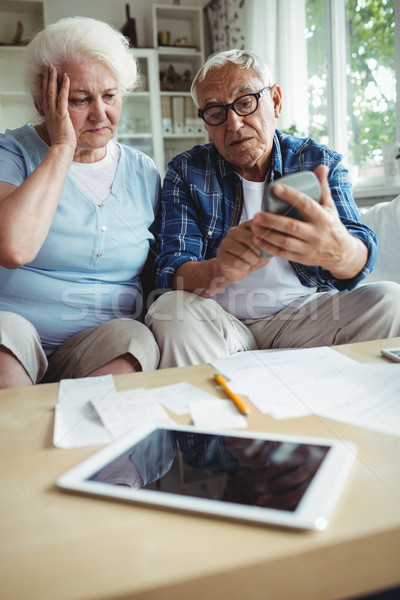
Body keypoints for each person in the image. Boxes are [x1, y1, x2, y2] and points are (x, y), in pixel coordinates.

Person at [145, 49, 400, 367]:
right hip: (220, 320)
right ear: (206, 123)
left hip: (304, 314)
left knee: (390, 300)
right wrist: (219, 270)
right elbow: (171, 269)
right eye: (215, 112)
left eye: (245, 102)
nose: (234, 124)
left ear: (275, 101)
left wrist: (340, 252)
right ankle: (215, 414)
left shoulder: (317, 161)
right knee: (169, 310)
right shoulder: (186, 171)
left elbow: (359, 255)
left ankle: (341, 409)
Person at [0, 17, 160, 388]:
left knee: (136, 342)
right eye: (80, 100)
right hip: (16, 333)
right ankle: (26, 444)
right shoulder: (12, 152)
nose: (100, 114)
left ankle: (89, 445)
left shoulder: (143, 172)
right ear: (43, 103)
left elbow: (161, 266)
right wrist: (62, 148)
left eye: (110, 96)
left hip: (100, 346)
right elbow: (13, 248)